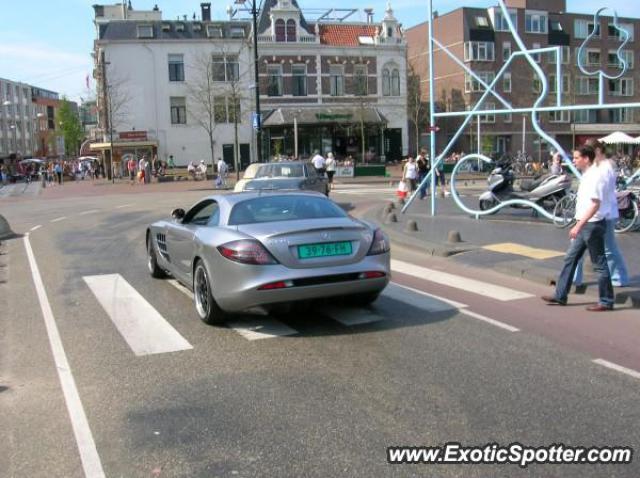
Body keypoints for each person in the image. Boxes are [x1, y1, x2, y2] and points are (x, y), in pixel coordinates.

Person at [542, 145, 614, 311]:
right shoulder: (587, 175)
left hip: (592, 224)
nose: (573, 161)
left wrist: (579, 225)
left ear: (586, 159)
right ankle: (560, 295)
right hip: (585, 224)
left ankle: (606, 301)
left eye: (576, 158)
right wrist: (578, 222)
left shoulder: (595, 177)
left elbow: (595, 205)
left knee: (599, 263)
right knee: (570, 258)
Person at [574, 139, 629, 287]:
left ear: (597, 151)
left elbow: (599, 193)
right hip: (594, 213)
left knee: (607, 248)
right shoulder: (596, 166)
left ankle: (619, 277)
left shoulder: (605, 167)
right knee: (579, 248)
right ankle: (574, 278)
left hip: (602, 214)